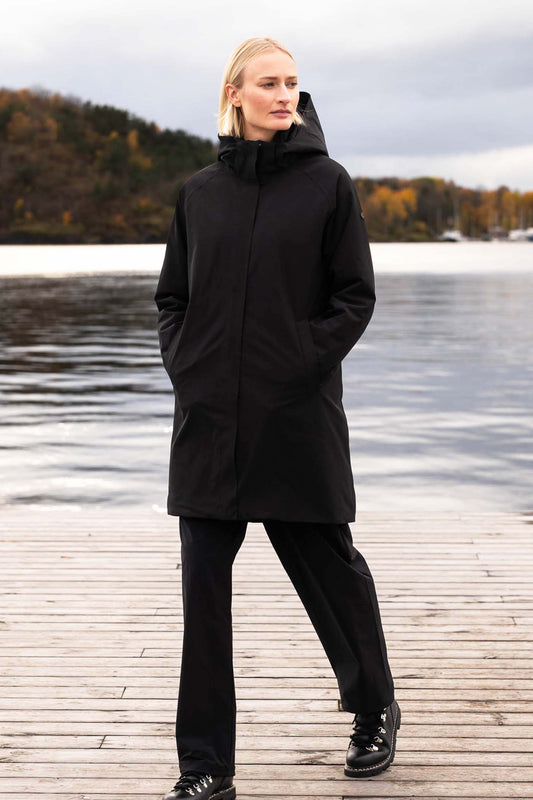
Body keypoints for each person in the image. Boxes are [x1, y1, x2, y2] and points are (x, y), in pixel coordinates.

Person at [154, 36, 400, 800]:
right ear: (234, 93)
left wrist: (295, 362)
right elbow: (172, 299)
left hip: (294, 417)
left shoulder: (327, 185)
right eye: (268, 83)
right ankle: (205, 767)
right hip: (208, 426)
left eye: (292, 82)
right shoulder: (199, 193)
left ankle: (373, 707)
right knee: (203, 597)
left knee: (330, 572)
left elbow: (353, 297)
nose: (284, 95)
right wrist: (189, 367)